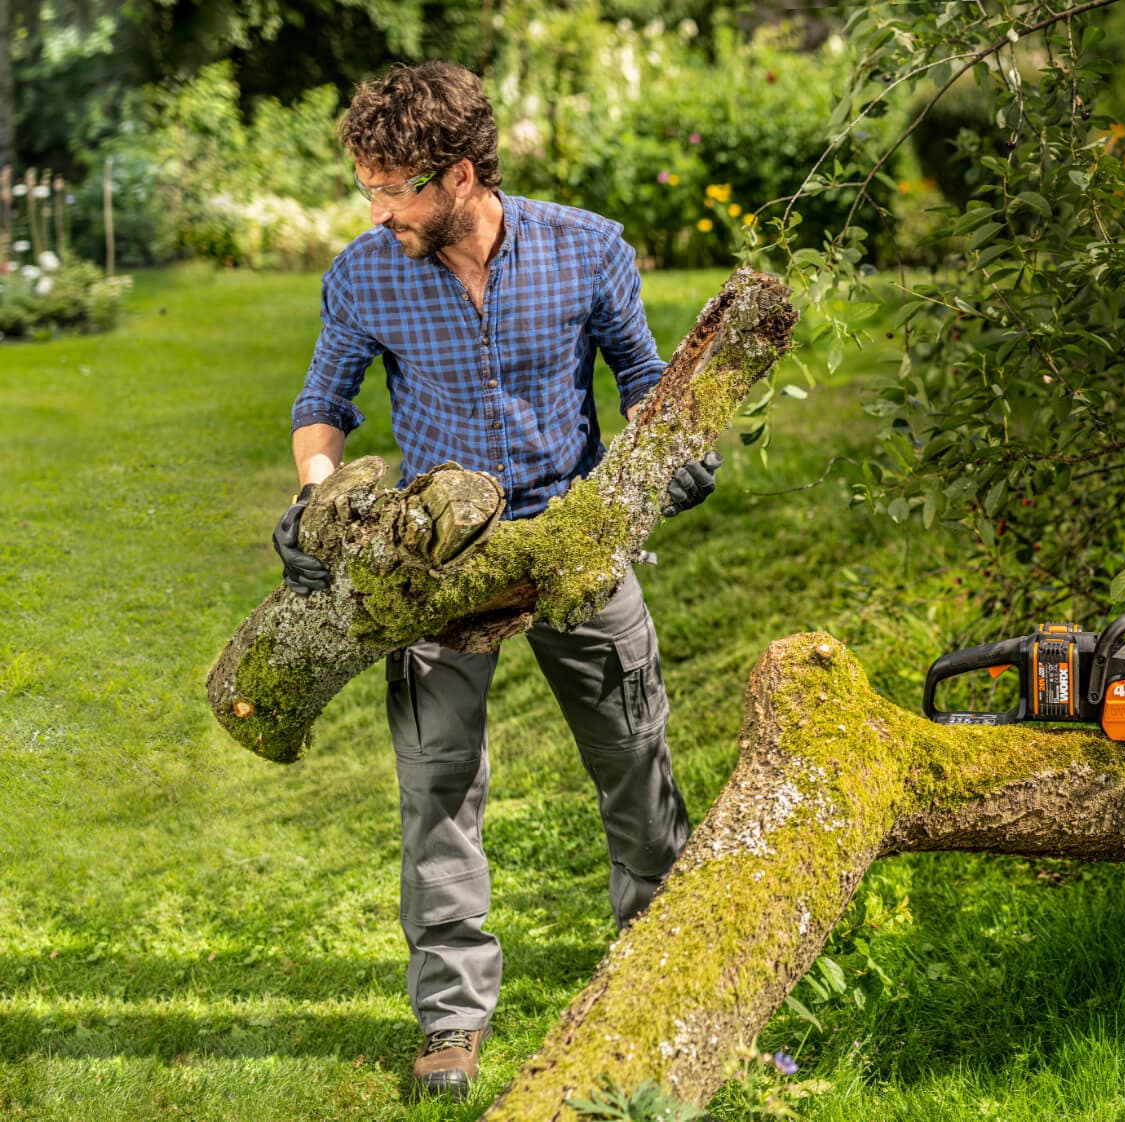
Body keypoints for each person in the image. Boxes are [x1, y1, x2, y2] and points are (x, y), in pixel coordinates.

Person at [271, 60, 714, 1101]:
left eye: (394, 189)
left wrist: (673, 453)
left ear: (460, 172)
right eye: (367, 189)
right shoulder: (365, 272)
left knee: (636, 767)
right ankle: (451, 1020)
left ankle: (654, 977)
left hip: (570, 542)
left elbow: (648, 385)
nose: (376, 212)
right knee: (436, 792)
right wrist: (314, 501)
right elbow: (322, 404)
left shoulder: (586, 247)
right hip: (433, 566)